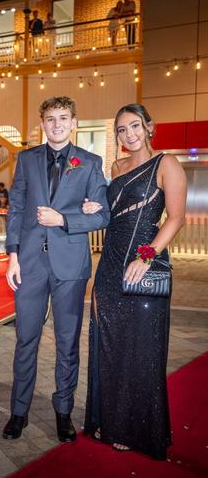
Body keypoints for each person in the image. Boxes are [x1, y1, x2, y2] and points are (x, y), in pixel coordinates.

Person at [81, 104, 186, 459]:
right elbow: (112, 217)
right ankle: (109, 422)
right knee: (108, 343)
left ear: (149, 127)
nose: (129, 135)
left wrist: (148, 255)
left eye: (135, 126)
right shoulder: (116, 167)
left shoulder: (166, 164)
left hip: (143, 263)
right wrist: (93, 210)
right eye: (122, 130)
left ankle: (135, 429)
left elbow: (176, 218)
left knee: (141, 349)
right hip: (109, 265)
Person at [3, 96, 110, 442]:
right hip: (30, 263)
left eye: (64, 118)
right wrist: (12, 254)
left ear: (74, 123)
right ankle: (18, 412)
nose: (57, 124)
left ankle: (63, 413)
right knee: (25, 340)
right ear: (42, 123)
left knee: (67, 343)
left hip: (71, 267)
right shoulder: (27, 159)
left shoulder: (90, 163)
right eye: (51, 118)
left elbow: (103, 214)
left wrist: (64, 219)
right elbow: (16, 209)